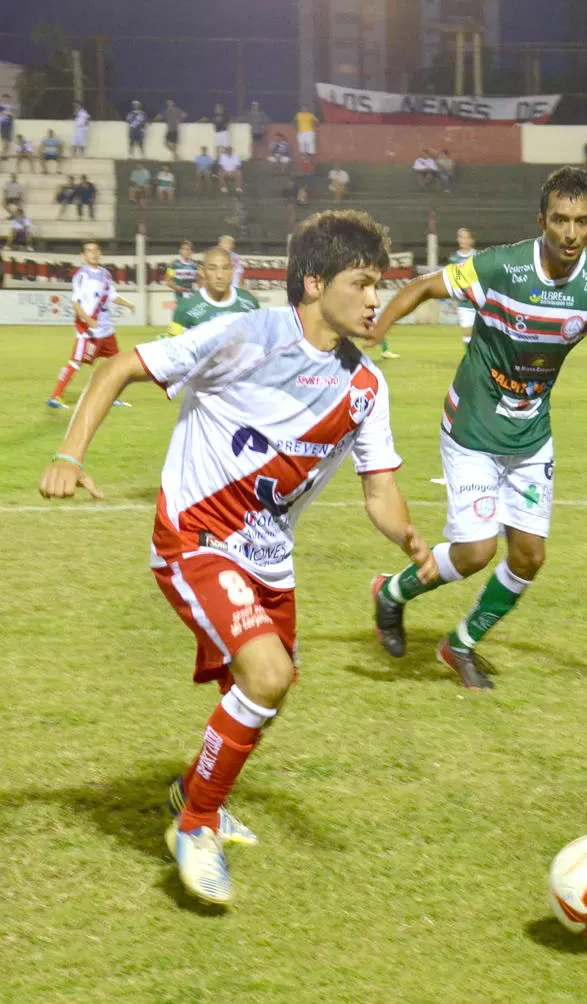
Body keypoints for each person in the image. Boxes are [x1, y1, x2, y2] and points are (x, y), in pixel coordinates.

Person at [38, 209, 438, 906]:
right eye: (363, 282)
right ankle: (194, 827)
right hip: (195, 535)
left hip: (267, 559)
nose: (377, 299)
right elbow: (121, 366)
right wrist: (69, 454)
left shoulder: (365, 386)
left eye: (380, 284)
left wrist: (407, 539)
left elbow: (380, 492)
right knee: (268, 673)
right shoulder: (245, 336)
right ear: (314, 282)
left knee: (265, 696)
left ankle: (195, 792)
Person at [366, 166, 587, 690]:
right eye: (560, 219)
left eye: (582, 221)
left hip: (530, 434)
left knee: (531, 556)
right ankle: (391, 594)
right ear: (542, 220)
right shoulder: (502, 267)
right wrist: (379, 328)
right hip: (472, 424)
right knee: (475, 553)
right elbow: (424, 287)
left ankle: (460, 644)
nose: (570, 232)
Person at [47, 240, 137, 408]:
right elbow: (75, 303)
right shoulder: (81, 276)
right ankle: (55, 396)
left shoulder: (106, 274)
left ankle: (111, 397)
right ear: (83, 255)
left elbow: (112, 296)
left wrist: (128, 304)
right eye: (89, 251)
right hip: (89, 331)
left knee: (116, 363)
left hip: (106, 329)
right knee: (76, 361)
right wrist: (88, 321)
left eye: (96, 250)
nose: (94, 253)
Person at [168, 246, 259, 335]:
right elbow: (174, 347)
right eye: (212, 268)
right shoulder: (185, 308)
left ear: (232, 270)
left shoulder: (249, 302)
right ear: (202, 272)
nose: (220, 275)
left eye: (225, 268)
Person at [448, 227, 477, 345]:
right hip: (464, 302)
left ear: (471, 240)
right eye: (461, 237)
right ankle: (470, 360)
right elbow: (454, 279)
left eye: (466, 238)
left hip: (480, 302)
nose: (463, 240)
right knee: (467, 334)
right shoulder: (453, 259)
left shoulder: (478, 256)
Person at [0, 94, 15, 160]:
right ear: (3, 99)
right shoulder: (1, 106)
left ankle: (5, 154)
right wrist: (7, 113)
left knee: (8, 140)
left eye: (7, 98)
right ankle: (3, 154)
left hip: (10, 124)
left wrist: (8, 113)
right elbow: (2, 113)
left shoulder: (11, 107)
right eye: (5, 98)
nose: (6, 100)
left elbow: (13, 115)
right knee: (4, 140)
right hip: (4, 123)